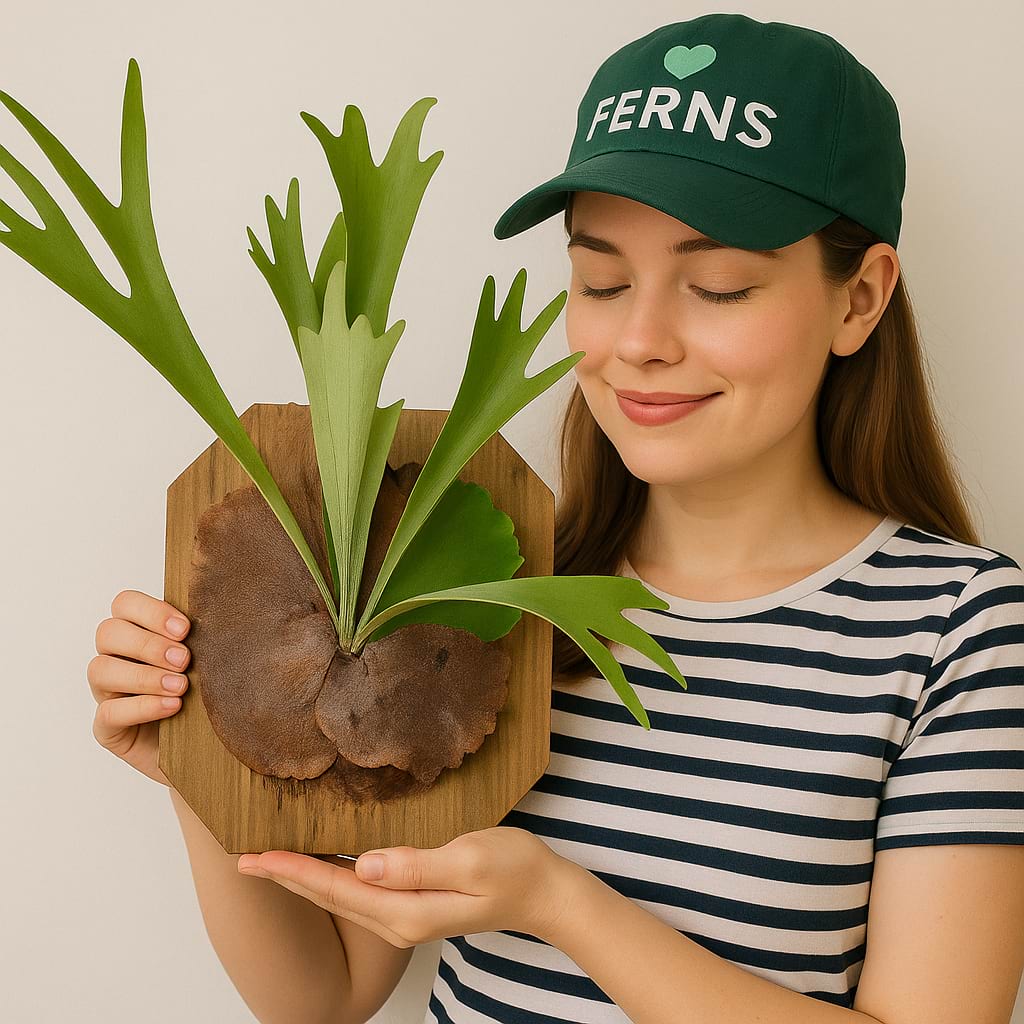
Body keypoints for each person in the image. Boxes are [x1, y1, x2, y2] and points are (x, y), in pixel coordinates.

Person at [88, 12, 1024, 1024]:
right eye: (600, 279)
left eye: (716, 285)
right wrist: (195, 758)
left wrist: (565, 906)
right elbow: (319, 994)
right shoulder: (481, 587)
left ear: (859, 299)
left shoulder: (957, 629)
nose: (639, 340)